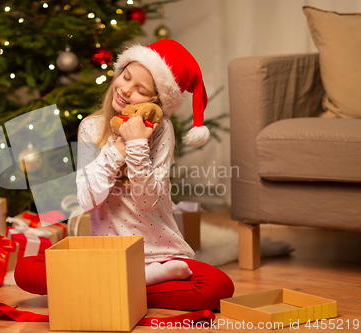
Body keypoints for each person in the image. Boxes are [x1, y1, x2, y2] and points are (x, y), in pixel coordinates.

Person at [15, 39, 234, 311]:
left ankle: (109, 287)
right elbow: (87, 200)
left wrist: (138, 145)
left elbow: (147, 202)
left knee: (218, 286)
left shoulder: (163, 130)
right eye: (125, 77)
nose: (126, 90)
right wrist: (120, 147)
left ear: (155, 102)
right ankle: (138, 283)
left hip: (159, 254)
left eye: (140, 89)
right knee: (25, 269)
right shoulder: (91, 128)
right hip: (107, 255)